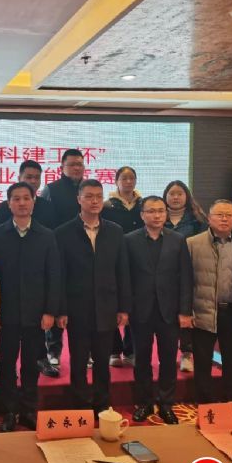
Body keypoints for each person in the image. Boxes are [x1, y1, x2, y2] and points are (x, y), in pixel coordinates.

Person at [55, 179, 131, 415]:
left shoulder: (115, 231)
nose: (94, 201)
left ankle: (102, 405)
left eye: (98, 196)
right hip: (77, 308)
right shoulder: (63, 233)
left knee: (102, 361)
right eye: (89, 196)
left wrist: (123, 307)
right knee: (78, 362)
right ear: (79, 199)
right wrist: (61, 310)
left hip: (106, 307)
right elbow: (60, 275)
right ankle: (80, 407)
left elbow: (122, 271)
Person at [0, 182, 61, 431]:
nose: (21, 203)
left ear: (33, 202)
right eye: (16, 199)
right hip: (7, 312)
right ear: (8, 204)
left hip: (36, 312)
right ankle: (8, 411)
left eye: (26, 198)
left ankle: (29, 409)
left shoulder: (46, 235)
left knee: (31, 362)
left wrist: (50, 311)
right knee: (6, 362)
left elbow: (54, 275)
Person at [125, 196, 193, 424]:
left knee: (168, 359)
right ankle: (144, 402)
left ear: (166, 213)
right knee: (142, 359)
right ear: (142, 214)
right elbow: (125, 277)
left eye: (161, 211)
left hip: (169, 311)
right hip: (140, 310)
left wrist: (185, 311)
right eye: (151, 211)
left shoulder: (178, 240)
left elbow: (185, 277)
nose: (156, 215)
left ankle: (166, 403)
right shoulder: (129, 240)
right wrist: (125, 309)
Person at [187, 200, 232, 404]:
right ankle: (205, 402)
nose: (224, 219)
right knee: (202, 361)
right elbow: (185, 282)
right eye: (220, 215)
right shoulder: (193, 243)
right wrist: (187, 311)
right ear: (209, 218)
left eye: (229, 215)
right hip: (203, 311)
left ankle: (231, 399)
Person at [39, 149, 84, 374]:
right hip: (57, 251)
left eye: (80, 164)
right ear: (62, 167)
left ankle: (84, 351)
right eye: (72, 164)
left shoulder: (88, 189)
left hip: (83, 253)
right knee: (56, 301)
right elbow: (46, 222)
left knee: (80, 301)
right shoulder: (51, 189)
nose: (77, 168)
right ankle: (54, 349)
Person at [163, 180, 209, 373]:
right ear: (165, 196)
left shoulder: (198, 220)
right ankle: (167, 355)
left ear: (187, 196)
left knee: (186, 312)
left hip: (190, 271)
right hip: (164, 274)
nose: (175, 197)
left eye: (179, 194)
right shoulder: (158, 217)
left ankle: (187, 353)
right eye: (172, 193)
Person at [102, 166, 141, 368]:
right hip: (113, 259)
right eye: (124, 178)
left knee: (134, 305)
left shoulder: (143, 204)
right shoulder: (107, 206)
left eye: (131, 178)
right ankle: (114, 350)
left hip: (137, 260)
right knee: (112, 305)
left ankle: (131, 349)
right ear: (116, 181)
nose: (128, 182)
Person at [0, 160, 56, 229]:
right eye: (29, 177)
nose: (33, 181)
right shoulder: (4, 207)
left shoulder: (47, 207)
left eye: (37, 178)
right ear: (19, 178)